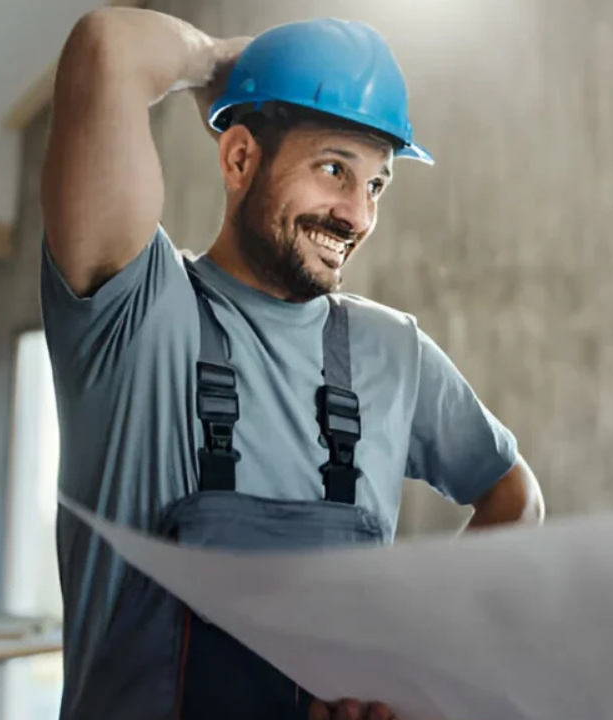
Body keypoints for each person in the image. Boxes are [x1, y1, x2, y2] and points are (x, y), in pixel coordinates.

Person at [39, 8, 545, 720]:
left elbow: (515, 497)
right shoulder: (134, 315)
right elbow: (107, 47)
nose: (357, 215)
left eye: (377, 184)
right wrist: (226, 63)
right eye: (335, 168)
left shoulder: (391, 350)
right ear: (240, 158)